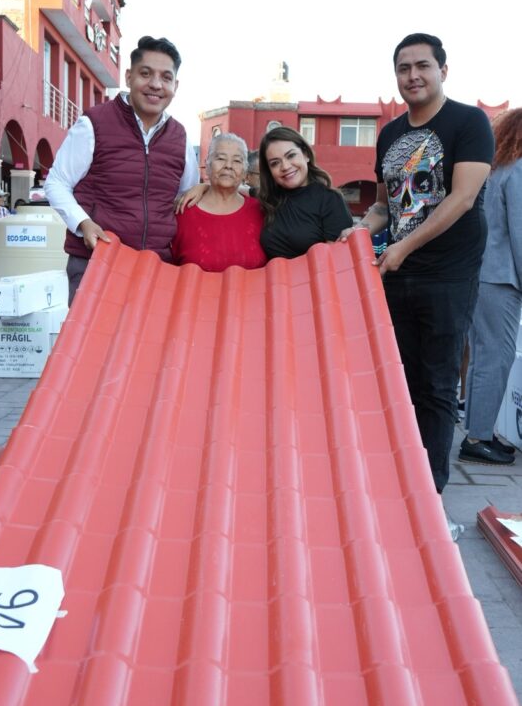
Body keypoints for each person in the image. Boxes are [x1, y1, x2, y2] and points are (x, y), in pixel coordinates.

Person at [342, 33, 494, 503]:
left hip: (448, 275)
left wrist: (403, 247)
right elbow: (383, 207)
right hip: (397, 272)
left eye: (422, 66)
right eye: (403, 68)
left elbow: (462, 198)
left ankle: (430, 497)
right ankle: (398, 488)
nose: (413, 75)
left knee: (437, 384)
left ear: (442, 71)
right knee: (398, 381)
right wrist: (358, 231)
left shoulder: (469, 122)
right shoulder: (390, 134)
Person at [45, 35, 199, 303]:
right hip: (97, 260)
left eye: (166, 77)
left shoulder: (180, 136)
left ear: (175, 85)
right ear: (129, 77)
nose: (156, 84)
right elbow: (56, 182)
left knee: (149, 332)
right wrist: (83, 223)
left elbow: (187, 196)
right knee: (94, 332)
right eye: (146, 74)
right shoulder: (94, 123)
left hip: (157, 267)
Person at [459, 108, 522, 465]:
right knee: (495, 358)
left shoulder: (496, 169)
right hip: (500, 277)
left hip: (481, 272)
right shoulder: (519, 169)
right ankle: (478, 438)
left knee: (483, 356)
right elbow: (520, 232)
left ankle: (477, 432)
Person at [172, 134, 266, 272]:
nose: (228, 166)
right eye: (221, 158)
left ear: (245, 171)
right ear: (207, 164)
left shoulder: (261, 211)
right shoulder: (183, 211)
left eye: (237, 161)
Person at [258, 126, 352, 259]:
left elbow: (335, 260)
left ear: (306, 154)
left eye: (291, 156)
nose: (285, 166)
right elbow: (245, 191)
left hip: (317, 272)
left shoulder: (330, 200)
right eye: (275, 163)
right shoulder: (269, 199)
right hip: (274, 272)